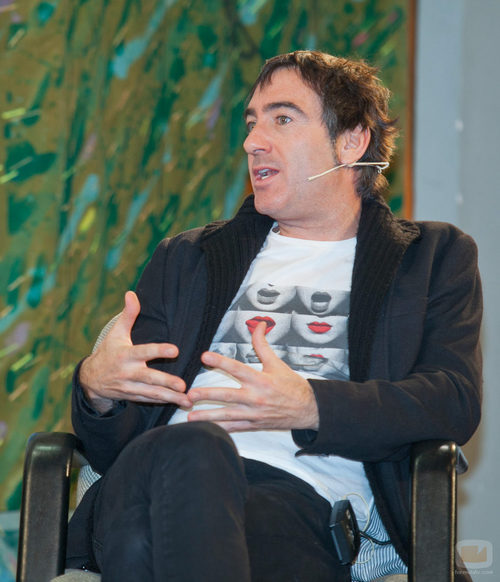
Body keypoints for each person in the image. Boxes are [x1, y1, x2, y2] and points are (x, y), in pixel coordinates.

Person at [67, 50, 482, 582]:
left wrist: (310, 405)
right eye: (251, 123)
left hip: (298, 510)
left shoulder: (431, 258)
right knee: (194, 450)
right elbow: (111, 445)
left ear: (351, 141)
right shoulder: (189, 258)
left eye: (282, 119)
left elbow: (450, 401)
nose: (252, 142)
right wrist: (97, 391)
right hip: (152, 482)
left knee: (199, 538)